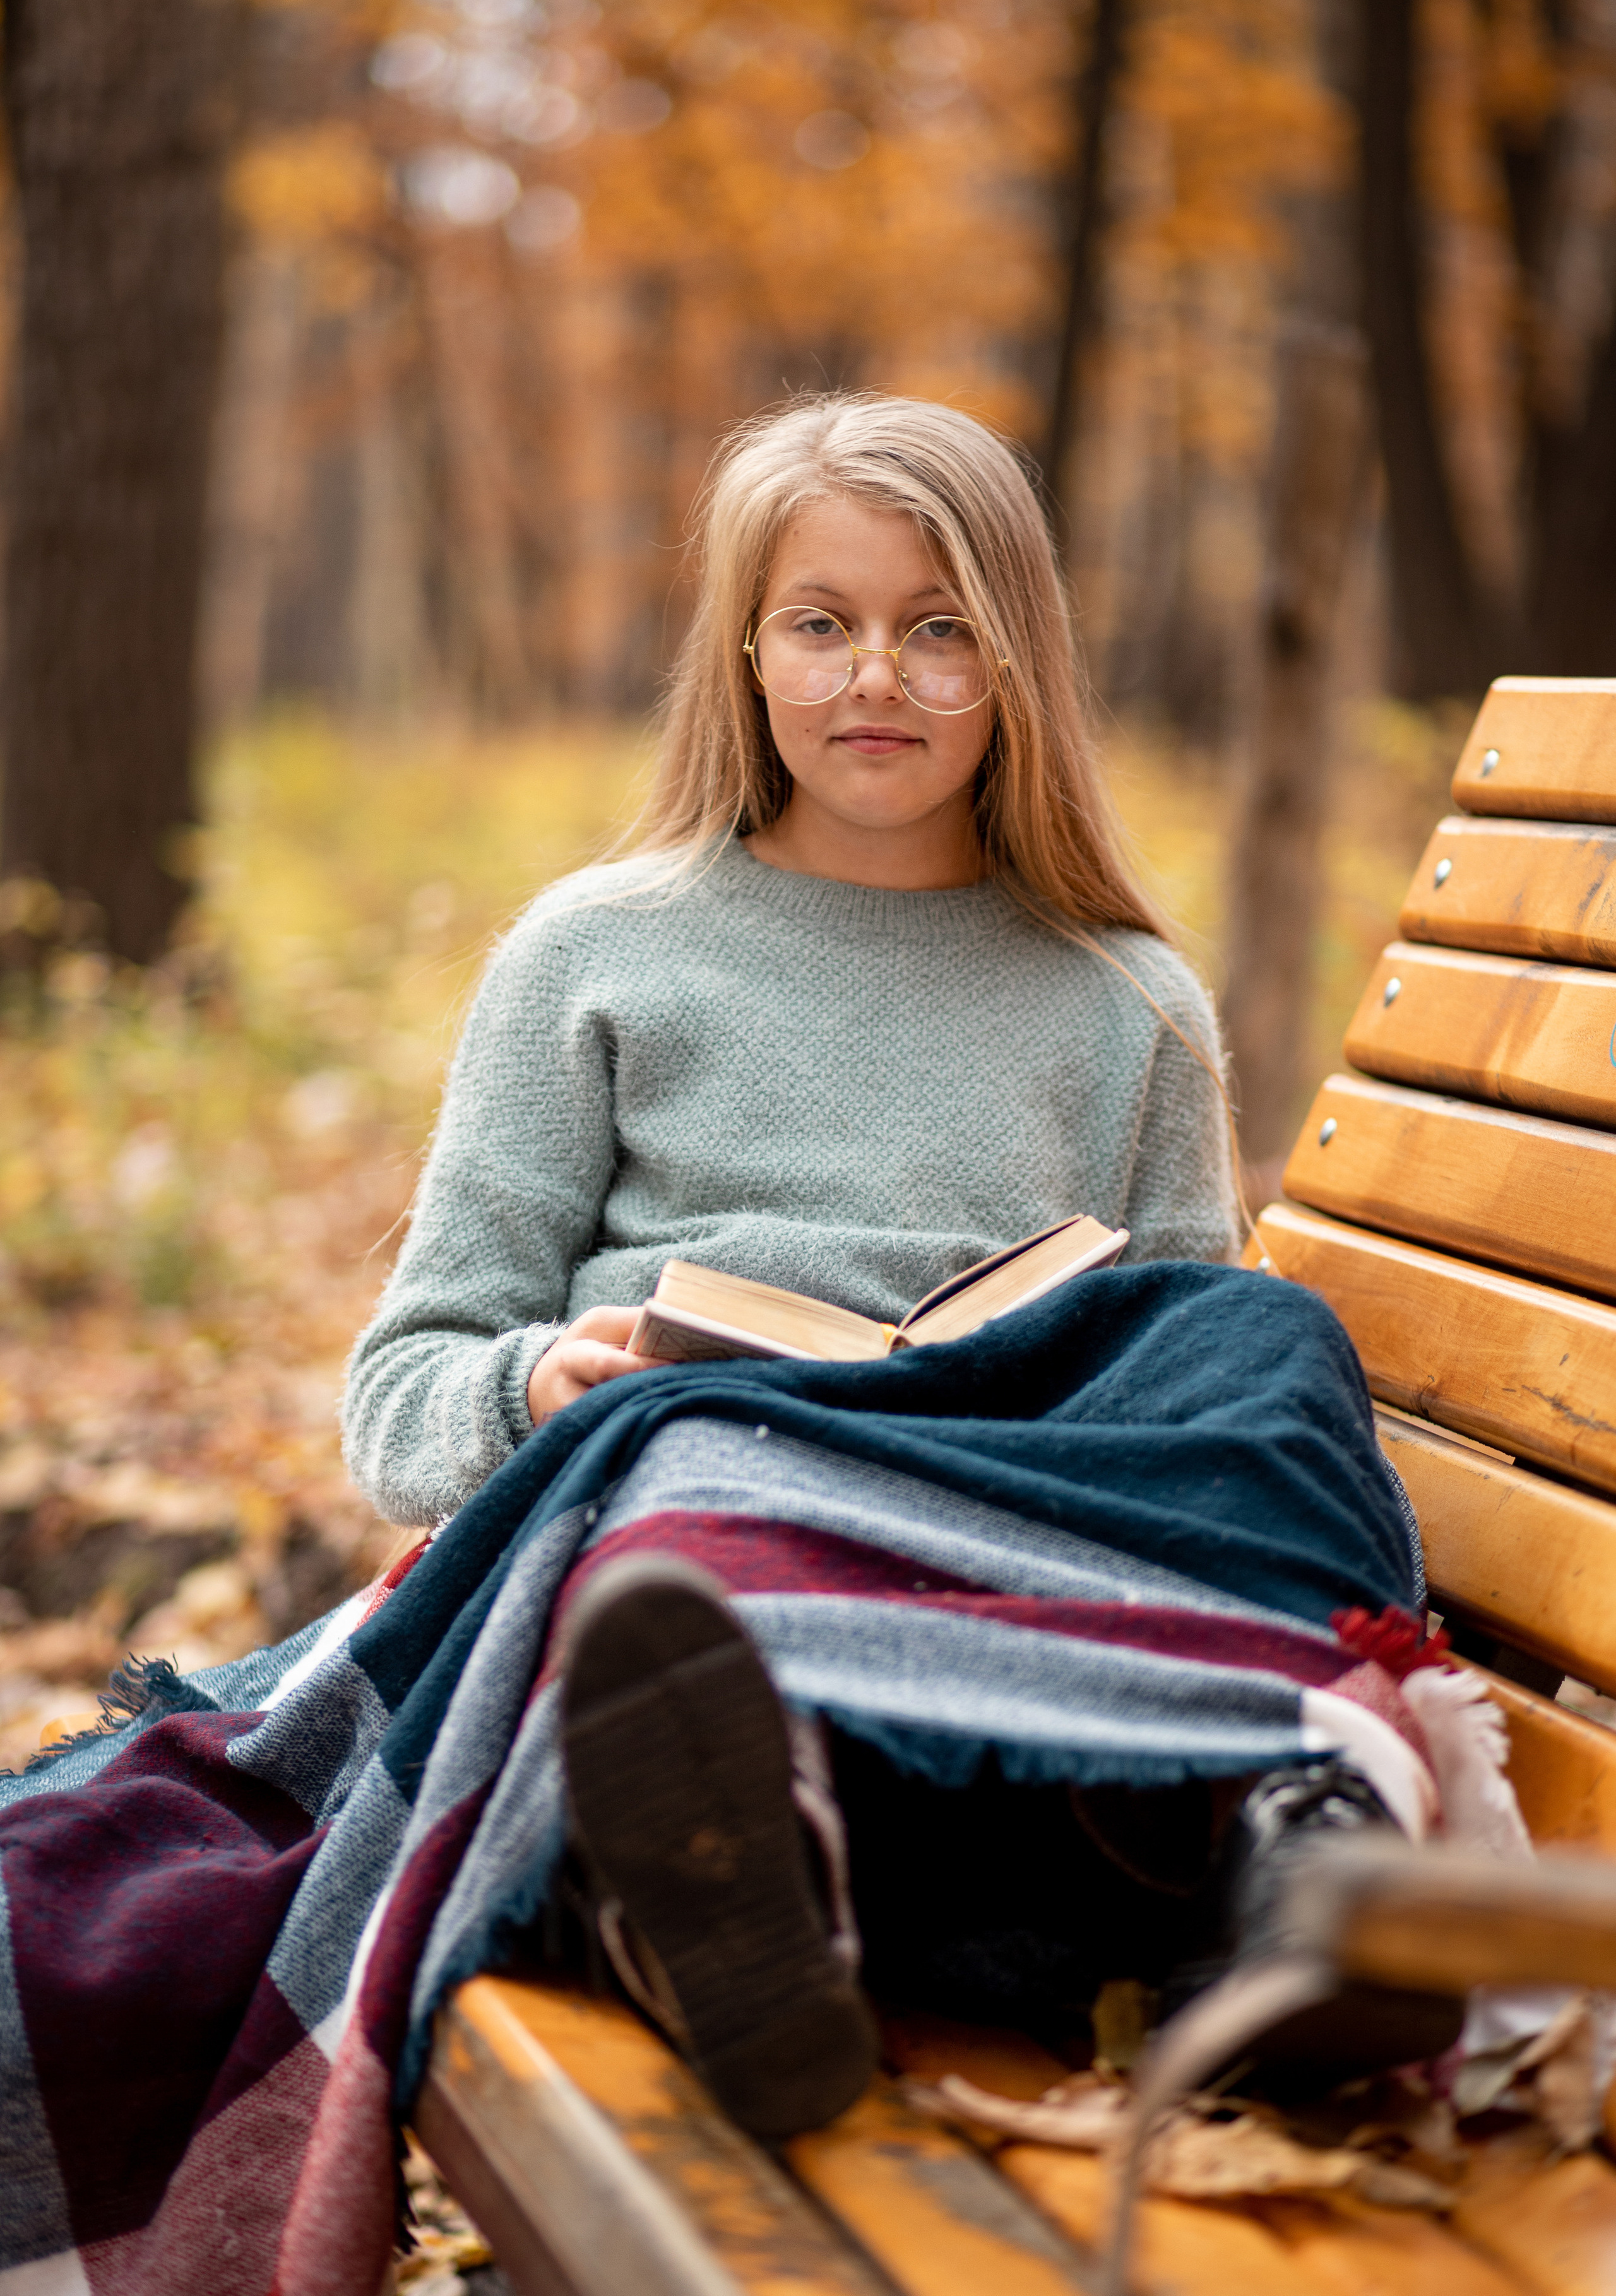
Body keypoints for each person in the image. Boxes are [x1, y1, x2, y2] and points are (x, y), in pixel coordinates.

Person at [342, 393, 1457, 2139]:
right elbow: (401, 1383)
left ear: (1018, 666)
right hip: (712, 1527)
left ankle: (1297, 1865)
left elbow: (1190, 1425)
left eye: (941, 630)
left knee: (1254, 1331)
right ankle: (729, 1874)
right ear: (747, 653)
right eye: (824, 623)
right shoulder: (596, 956)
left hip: (1011, 1558)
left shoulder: (1125, 1002)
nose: (880, 675)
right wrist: (545, 1383)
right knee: (693, 1467)